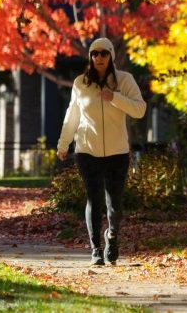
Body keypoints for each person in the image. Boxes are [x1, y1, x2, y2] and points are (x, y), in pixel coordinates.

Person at [57, 37, 146, 265]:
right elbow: (72, 116)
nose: (98, 58)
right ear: (90, 57)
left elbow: (139, 109)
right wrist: (63, 144)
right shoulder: (81, 83)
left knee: (114, 202)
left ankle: (112, 237)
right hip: (87, 150)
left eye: (103, 53)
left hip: (117, 151)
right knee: (94, 199)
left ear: (111, 56)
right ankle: (96, 249)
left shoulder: (125, 80)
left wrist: (114, 97)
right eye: (94, 54)